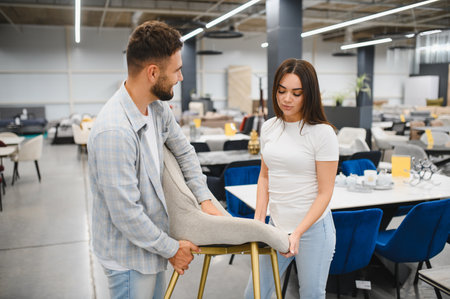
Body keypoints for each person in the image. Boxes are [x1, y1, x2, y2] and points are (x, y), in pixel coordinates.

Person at [88, 20, 222, 299]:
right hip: (128, 259)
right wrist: (173, 249)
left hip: (152, 247)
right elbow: (126, 214)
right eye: (177, 70)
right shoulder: (114, 132)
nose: (181, 78)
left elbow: (185, 151)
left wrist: (204, 199)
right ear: (153, 73)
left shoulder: (157, 109)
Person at [244, 58, 338, 299]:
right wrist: (259, 223)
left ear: (309, 95)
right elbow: (264, 177)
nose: (287, 99)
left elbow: (325, 193)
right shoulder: (269, 128)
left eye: (296, 93)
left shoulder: (323, 133)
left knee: (310, 295)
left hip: (313, 230)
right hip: (276, 226)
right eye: (282, 91)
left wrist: (297, 233)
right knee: (254, 294)